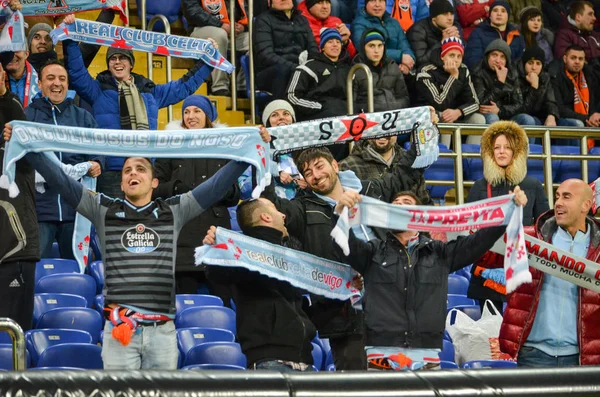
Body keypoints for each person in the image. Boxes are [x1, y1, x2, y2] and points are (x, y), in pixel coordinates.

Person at [3, 126, 252, 369]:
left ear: (154, 182)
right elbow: (61, 181)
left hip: (162, 334)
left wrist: (245, 154)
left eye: (141, 169)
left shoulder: (173, 210)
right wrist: (29, 145)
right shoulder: (103, 209)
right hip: (118, 333)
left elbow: (216, 186)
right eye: (127, 171)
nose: (134, 173)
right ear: (121, 183)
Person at [261, 117, 435, 369]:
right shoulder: (303, 208)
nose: (316, 175)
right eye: (307, 173)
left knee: (402, 384)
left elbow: (405, 171)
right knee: (359, 387)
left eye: (319, 166)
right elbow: (270, 205)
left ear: (334, 164)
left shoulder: (369, 191)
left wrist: (424, 125)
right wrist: (265, 153)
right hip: (345, 316)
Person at [334, 187, 528, 369]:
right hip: (380, 353)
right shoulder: (372, 252)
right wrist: (340, 212)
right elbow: (342, 244)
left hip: (427, 354)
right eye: (395, 204)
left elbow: (479, 241)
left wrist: (508, 211)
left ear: (419, 215)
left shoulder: (440, 253)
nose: (400, 205)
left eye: (406, 202)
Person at [60, 14, 215, 199]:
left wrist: (208, 60)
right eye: (113, 59)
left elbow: (184, 86)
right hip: (111, 173)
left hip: (144, 170)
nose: (118, 62)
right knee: (114, 226)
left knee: (141, 226)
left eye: (123, 58)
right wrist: (69, 39)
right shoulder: (98, 90)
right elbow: (76, 73)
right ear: (108, 64)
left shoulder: (150, 92)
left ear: (131, 63)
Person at [202, 199, 317, 371]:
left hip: (304, 360)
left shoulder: (288, 255)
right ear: (266, 216)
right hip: (271, 362)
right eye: (276, 210)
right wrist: (215, 250)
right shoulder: (242, 251)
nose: (284, 215)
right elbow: (219, 273)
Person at [500, 179, 600, 367]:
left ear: (586, 205)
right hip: (533, 354)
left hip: (582, 358)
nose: (558, 203)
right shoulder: (529, 238)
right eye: (557, 196)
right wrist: (504, 218)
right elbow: (485, 256)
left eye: (567, 197)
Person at [152, 95, 240, 299]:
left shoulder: (224, 147)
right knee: (185, 302)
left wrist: (217, 190)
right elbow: (154, 189)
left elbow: (235, 194)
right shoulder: (170, 147)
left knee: (224, 302)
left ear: (208, 116)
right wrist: (176, 188)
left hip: (216, 234)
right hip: (182, 234)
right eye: (186, 111)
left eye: (197, 111)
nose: (191, 116)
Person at [466, 121, 549, 314]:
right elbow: (468, 228)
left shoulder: (533, 185)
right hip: (486, 271)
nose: (502, 152)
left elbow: (545, 227)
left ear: (517, 152)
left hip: (521, 269)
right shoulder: (479, 186)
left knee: (516, 331)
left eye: (508, 147)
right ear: (489, 152)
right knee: (491, 334)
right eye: (497, 147)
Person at [25, 60, 104, 260]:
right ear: (40, 84)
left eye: (62, 79)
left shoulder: (83, 117)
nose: (57, 83)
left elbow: (100, 147)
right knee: (35, 266)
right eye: (50, 78)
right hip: (40, 210)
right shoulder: (27, 117)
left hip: (75, 210)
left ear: (68, 85)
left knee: (77, 268)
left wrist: (97, 162)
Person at [0, 64, 38, 332]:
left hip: (15, 251)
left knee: (14, 335)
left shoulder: (20, 153)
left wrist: (3, 92)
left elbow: (20, 127)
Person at [415, 36, 484, 147]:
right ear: (442, 56)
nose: (456, 60)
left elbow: (475, 103)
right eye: (451, 55)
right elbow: (439, 103)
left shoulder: (463, 70)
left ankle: (470, 158)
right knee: (445, 116)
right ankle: (445, 157)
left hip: (454, 115)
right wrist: (453, 77)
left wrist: (459, 112)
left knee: (478, 119)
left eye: (459, 56)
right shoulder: (426, 71)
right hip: (430, 116)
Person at [182, 0, 249, 96]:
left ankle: (241, 85)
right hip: (202, 29)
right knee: (219, 35)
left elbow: (246, 10)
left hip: (233, 31)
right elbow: (192, 12)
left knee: (253, 39)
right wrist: (220, 25)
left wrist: (243, 26)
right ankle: (219, 86)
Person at [254, 0, 318, 99]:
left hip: (300, 70)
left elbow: (313, 49)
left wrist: (308, 68)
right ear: (269, 2)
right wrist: (296, 69)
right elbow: (266, 55)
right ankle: (281, 110)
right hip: (271, 73)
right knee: (283, 70)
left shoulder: (302, 20)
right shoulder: (263, 20)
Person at [286, 28, 351, 122]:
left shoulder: (348, 68)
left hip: (346, 114)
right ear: (322, 47)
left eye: (338, 41)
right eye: (330, 41)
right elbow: (292, 96)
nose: (335, 45)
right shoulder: (308, 67)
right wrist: (319, 107)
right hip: (317, 116)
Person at [352, 0, 416, 76]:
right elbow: (363, 49)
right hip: (373, 70)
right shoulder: (359, 23)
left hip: (398, 68)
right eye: (373, 1)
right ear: (366, 4)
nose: (377, 4)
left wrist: (407, 62)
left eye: (381, 1)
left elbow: (405, 45)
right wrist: (400, 57)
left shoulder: (394, 22)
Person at [352, 29, 410, 112]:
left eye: (380, 45)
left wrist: (393, 107)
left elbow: (404, 98)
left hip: (393, 116)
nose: (376, 51)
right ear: (363, 48)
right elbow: (351, 104)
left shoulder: (393, 66)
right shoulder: (356, 70)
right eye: (371, 46)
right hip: (368, 119)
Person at [472, 39, 523, 127]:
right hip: (485, 116)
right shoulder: (478, 73)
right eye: (494, 55)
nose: (498, 60)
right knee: (493, 117)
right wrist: (500, 83)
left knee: (527, 119)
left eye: (502, 57)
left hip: (505, 114)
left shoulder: (512, 74)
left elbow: (519, 104)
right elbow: (482, 104)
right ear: (487, 56)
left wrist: (500, 110)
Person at [464, 0, 525, 69]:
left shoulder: (517, 35)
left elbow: (521, 62)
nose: (499, 13)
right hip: (485, 77)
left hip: (511, 77)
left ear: (508, 16)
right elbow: (472, 62)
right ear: (490, 15)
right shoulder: (478, 33)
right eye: (495, 10)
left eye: (503, 11)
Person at [551, 45, 600, 129]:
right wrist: (587, 118)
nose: (577, 61)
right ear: (565, 59)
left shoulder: (589, 76)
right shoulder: (556, 76)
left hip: (586, 118)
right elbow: (560, 109)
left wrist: (594, 116)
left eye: (580, 59)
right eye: (573, 58)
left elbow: (593, 105)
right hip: (563, 120)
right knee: (578, 125)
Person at [407, 0, 463, 69]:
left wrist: (457, 42)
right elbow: (421, 62)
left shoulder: (452, 28)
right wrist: (442, 42)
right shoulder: (418, 30)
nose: (450, 18)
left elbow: (463, 58)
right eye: (445, 14)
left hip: (446, 69)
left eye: (451, 14)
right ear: (434, 18)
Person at [514, 46, 560, 128]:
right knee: (529, 120)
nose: (534, 68)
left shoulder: (545, 78)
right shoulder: (515, 76)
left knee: (573, 124)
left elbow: (550, 101)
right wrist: (534, 87)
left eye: (538, 63)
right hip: (516, 118)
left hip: (536, 118)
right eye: (530, 63)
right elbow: (522, 110)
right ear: (524, 63)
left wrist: (551, 115)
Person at [339, 137, 415, 180]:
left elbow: (422, 200)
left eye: (388, 129)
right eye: (377, 128)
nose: (382, 134)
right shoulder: (347, 166)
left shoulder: (411, 162)